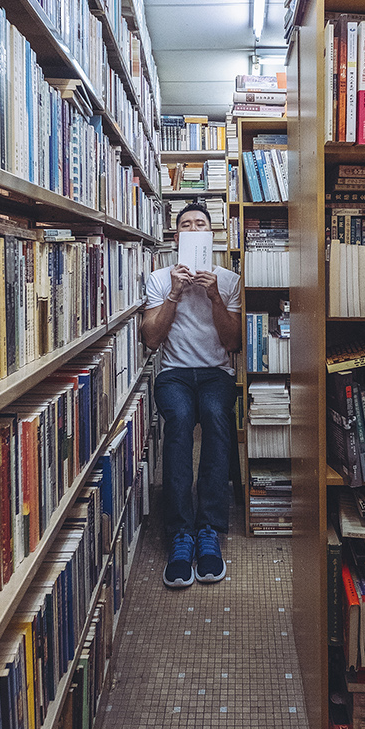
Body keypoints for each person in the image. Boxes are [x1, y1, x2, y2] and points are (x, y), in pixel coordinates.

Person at [141, 201, 242, 587]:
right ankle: (180, 533)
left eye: (201, 224)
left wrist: (215, 296)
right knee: (179, 422)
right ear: (177, 235)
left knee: (218, 418)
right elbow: (151, 339)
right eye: (186, 224)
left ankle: (209, 530)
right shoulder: (158, 278)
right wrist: (174, 294)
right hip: (175, 374)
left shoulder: (229, 280)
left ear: (211, 235)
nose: (194, 228)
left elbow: (232, 341)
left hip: (217, 373)